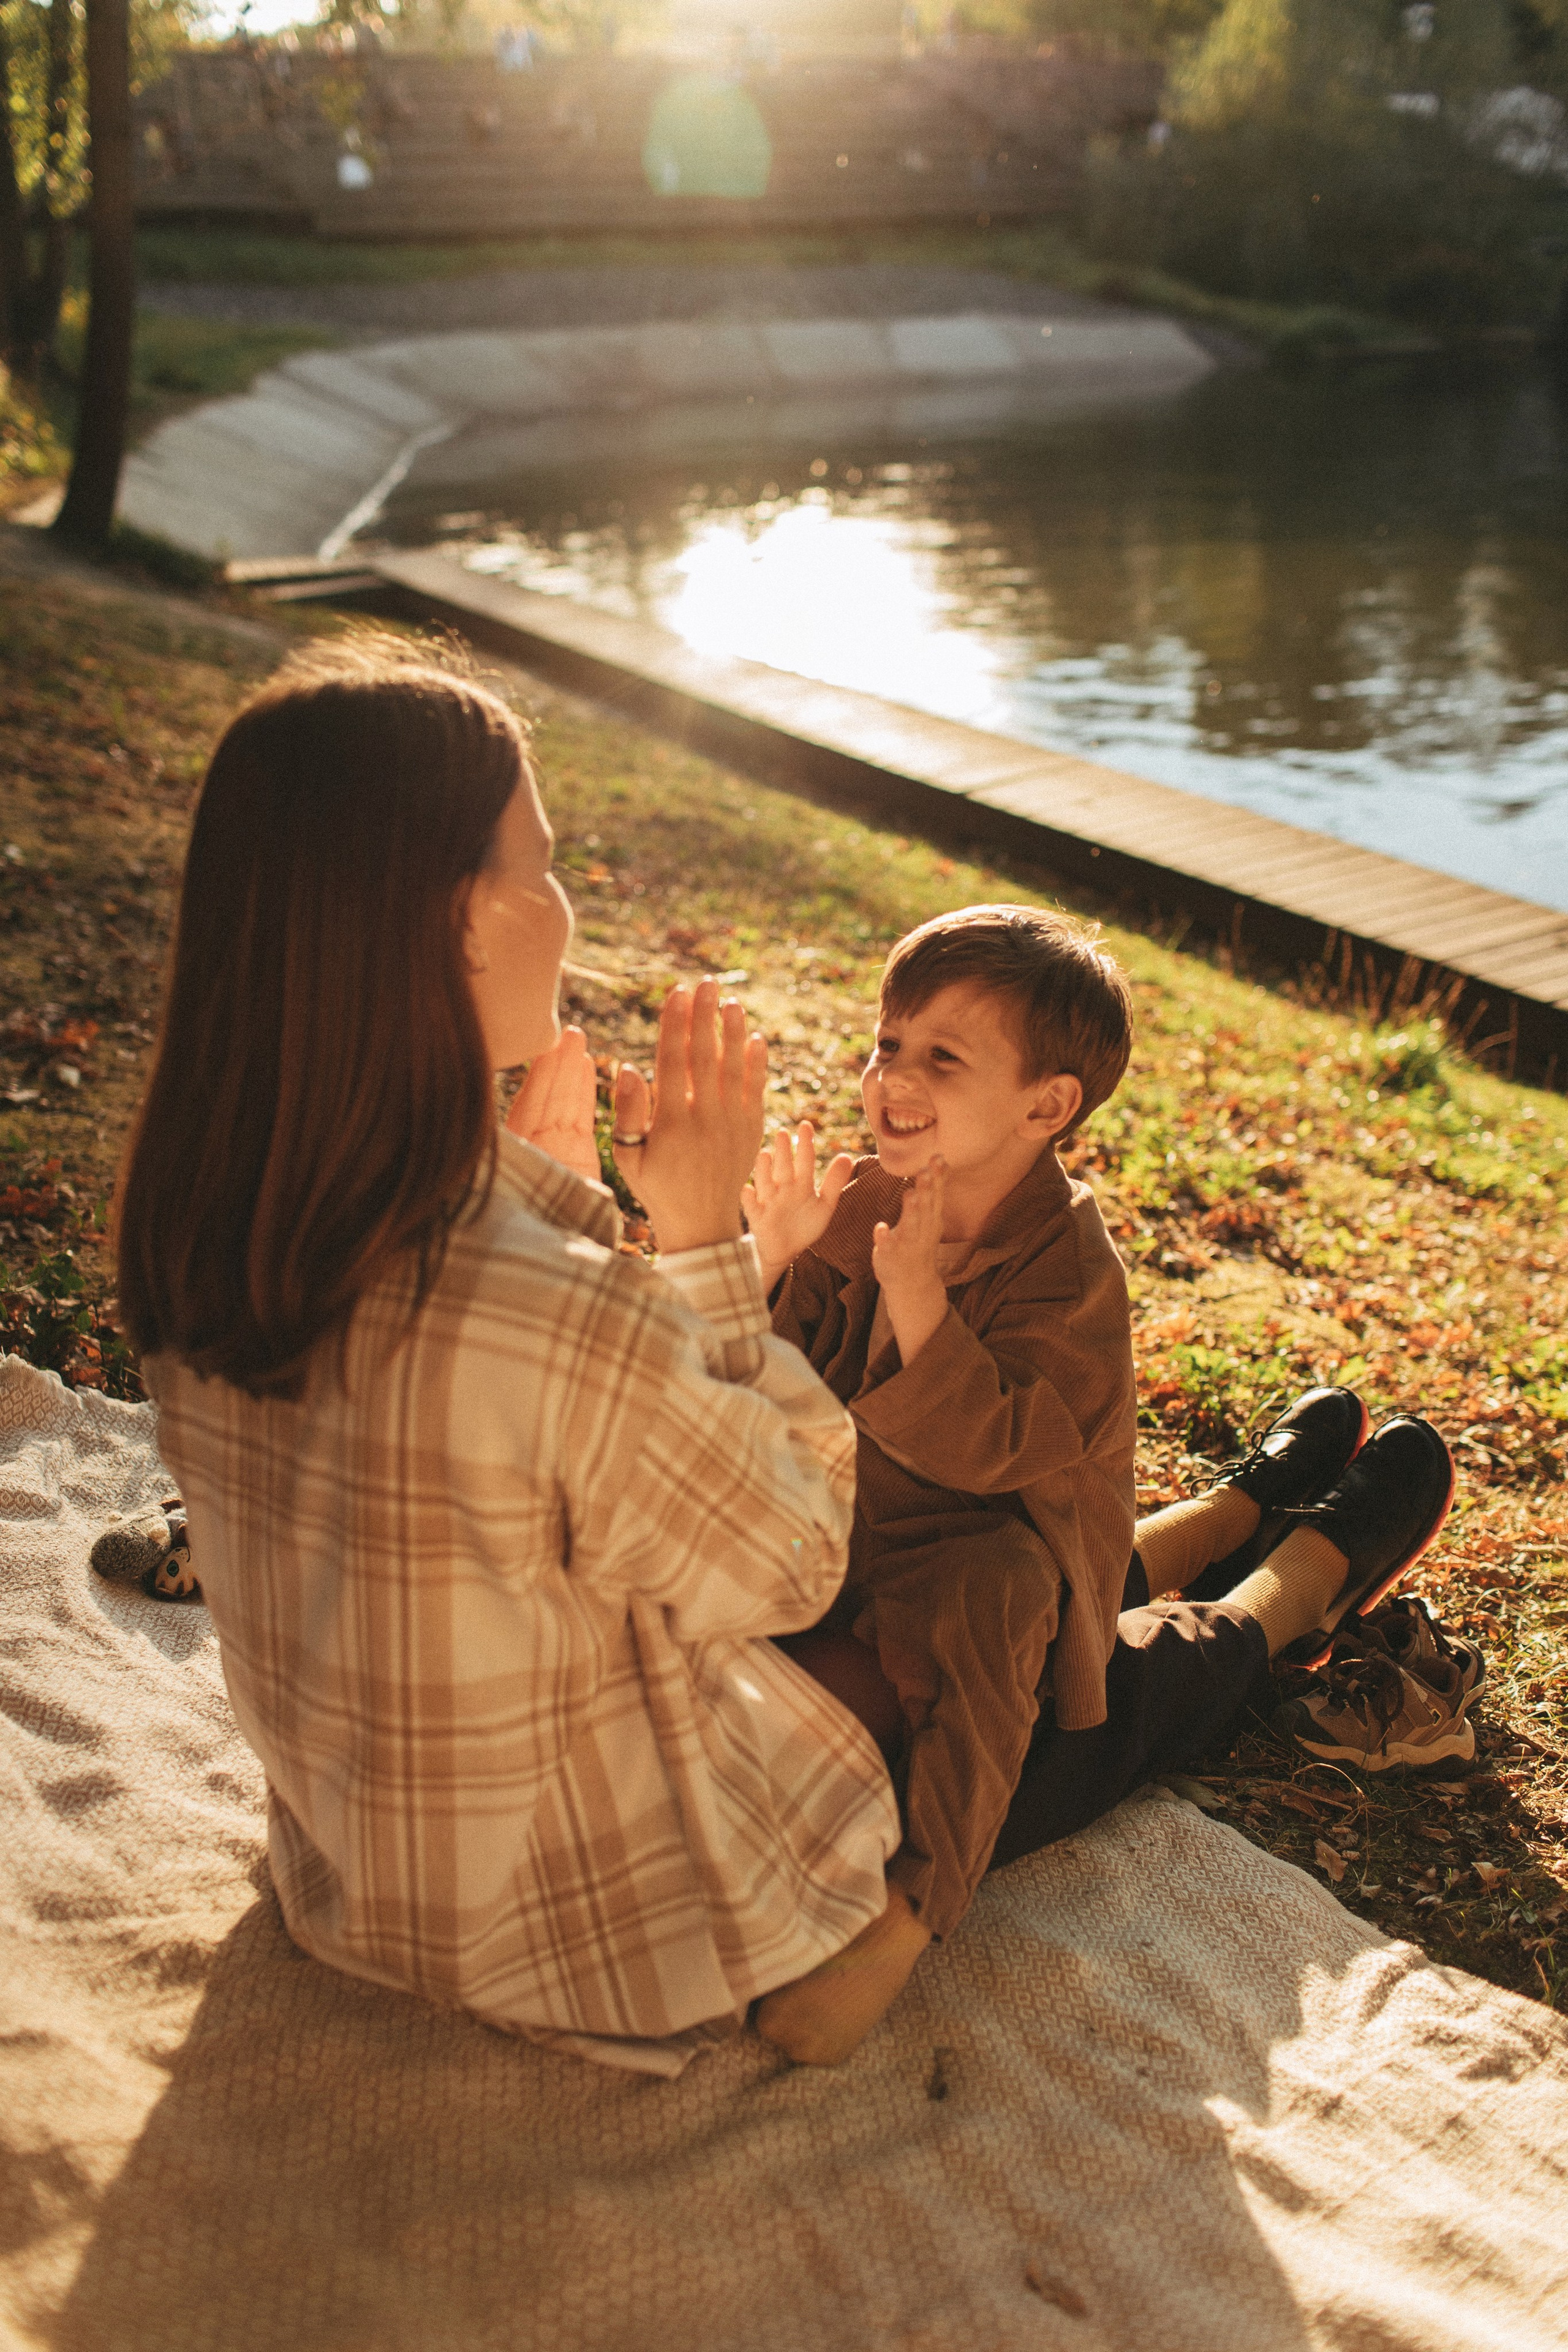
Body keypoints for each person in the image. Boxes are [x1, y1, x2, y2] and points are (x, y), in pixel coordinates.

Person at [115, 638, 899, 2076]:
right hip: (584, 1933)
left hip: (354, 1882)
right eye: (541, 865)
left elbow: (476, 1479)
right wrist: (704, 1241)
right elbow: (790, 1568)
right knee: (978, 1654)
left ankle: (1224, 1556)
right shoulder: (534, 1301)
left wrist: (566, 1221)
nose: (563, 901)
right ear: (465, 921)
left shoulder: (199, 1210)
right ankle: (1279, 1599)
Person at [744, 907, 1455, 2064]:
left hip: (1000, 1582)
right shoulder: (864, 1200)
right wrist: (776, 1259)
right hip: (854, 1549)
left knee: (1083, 1619)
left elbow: (1007, 1454)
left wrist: (917, 1299)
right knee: (1052, 1562)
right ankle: (1241, 1500)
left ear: (1047, 1105)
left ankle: (1304, 1571)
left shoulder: (1070, 1267)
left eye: (941, 1056)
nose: (891, 1077)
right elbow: (778, 1388)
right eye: (887, 1042)